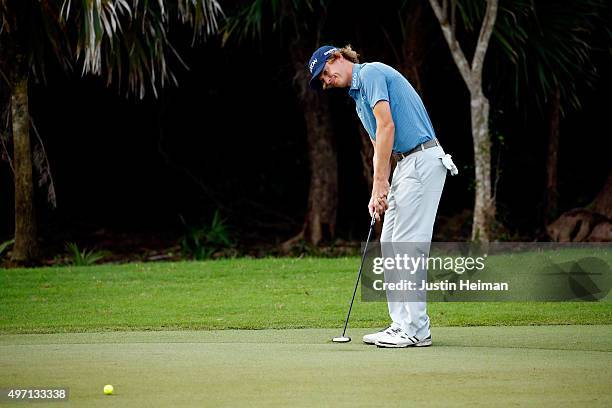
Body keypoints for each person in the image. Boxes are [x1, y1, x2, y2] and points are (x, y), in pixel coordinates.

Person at [307, 45, 457, 348]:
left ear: (338, 57)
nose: (326, 80)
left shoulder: (371, 73)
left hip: (423, 160)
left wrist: (379, 183)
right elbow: (379, 144)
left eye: (325, 72)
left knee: (406, 246)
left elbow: (388, 125)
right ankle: (401, 324)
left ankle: (415, 328)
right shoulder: (358, 98)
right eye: (322, 79)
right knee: (389, 243)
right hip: (406, 164)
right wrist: (380, 190)